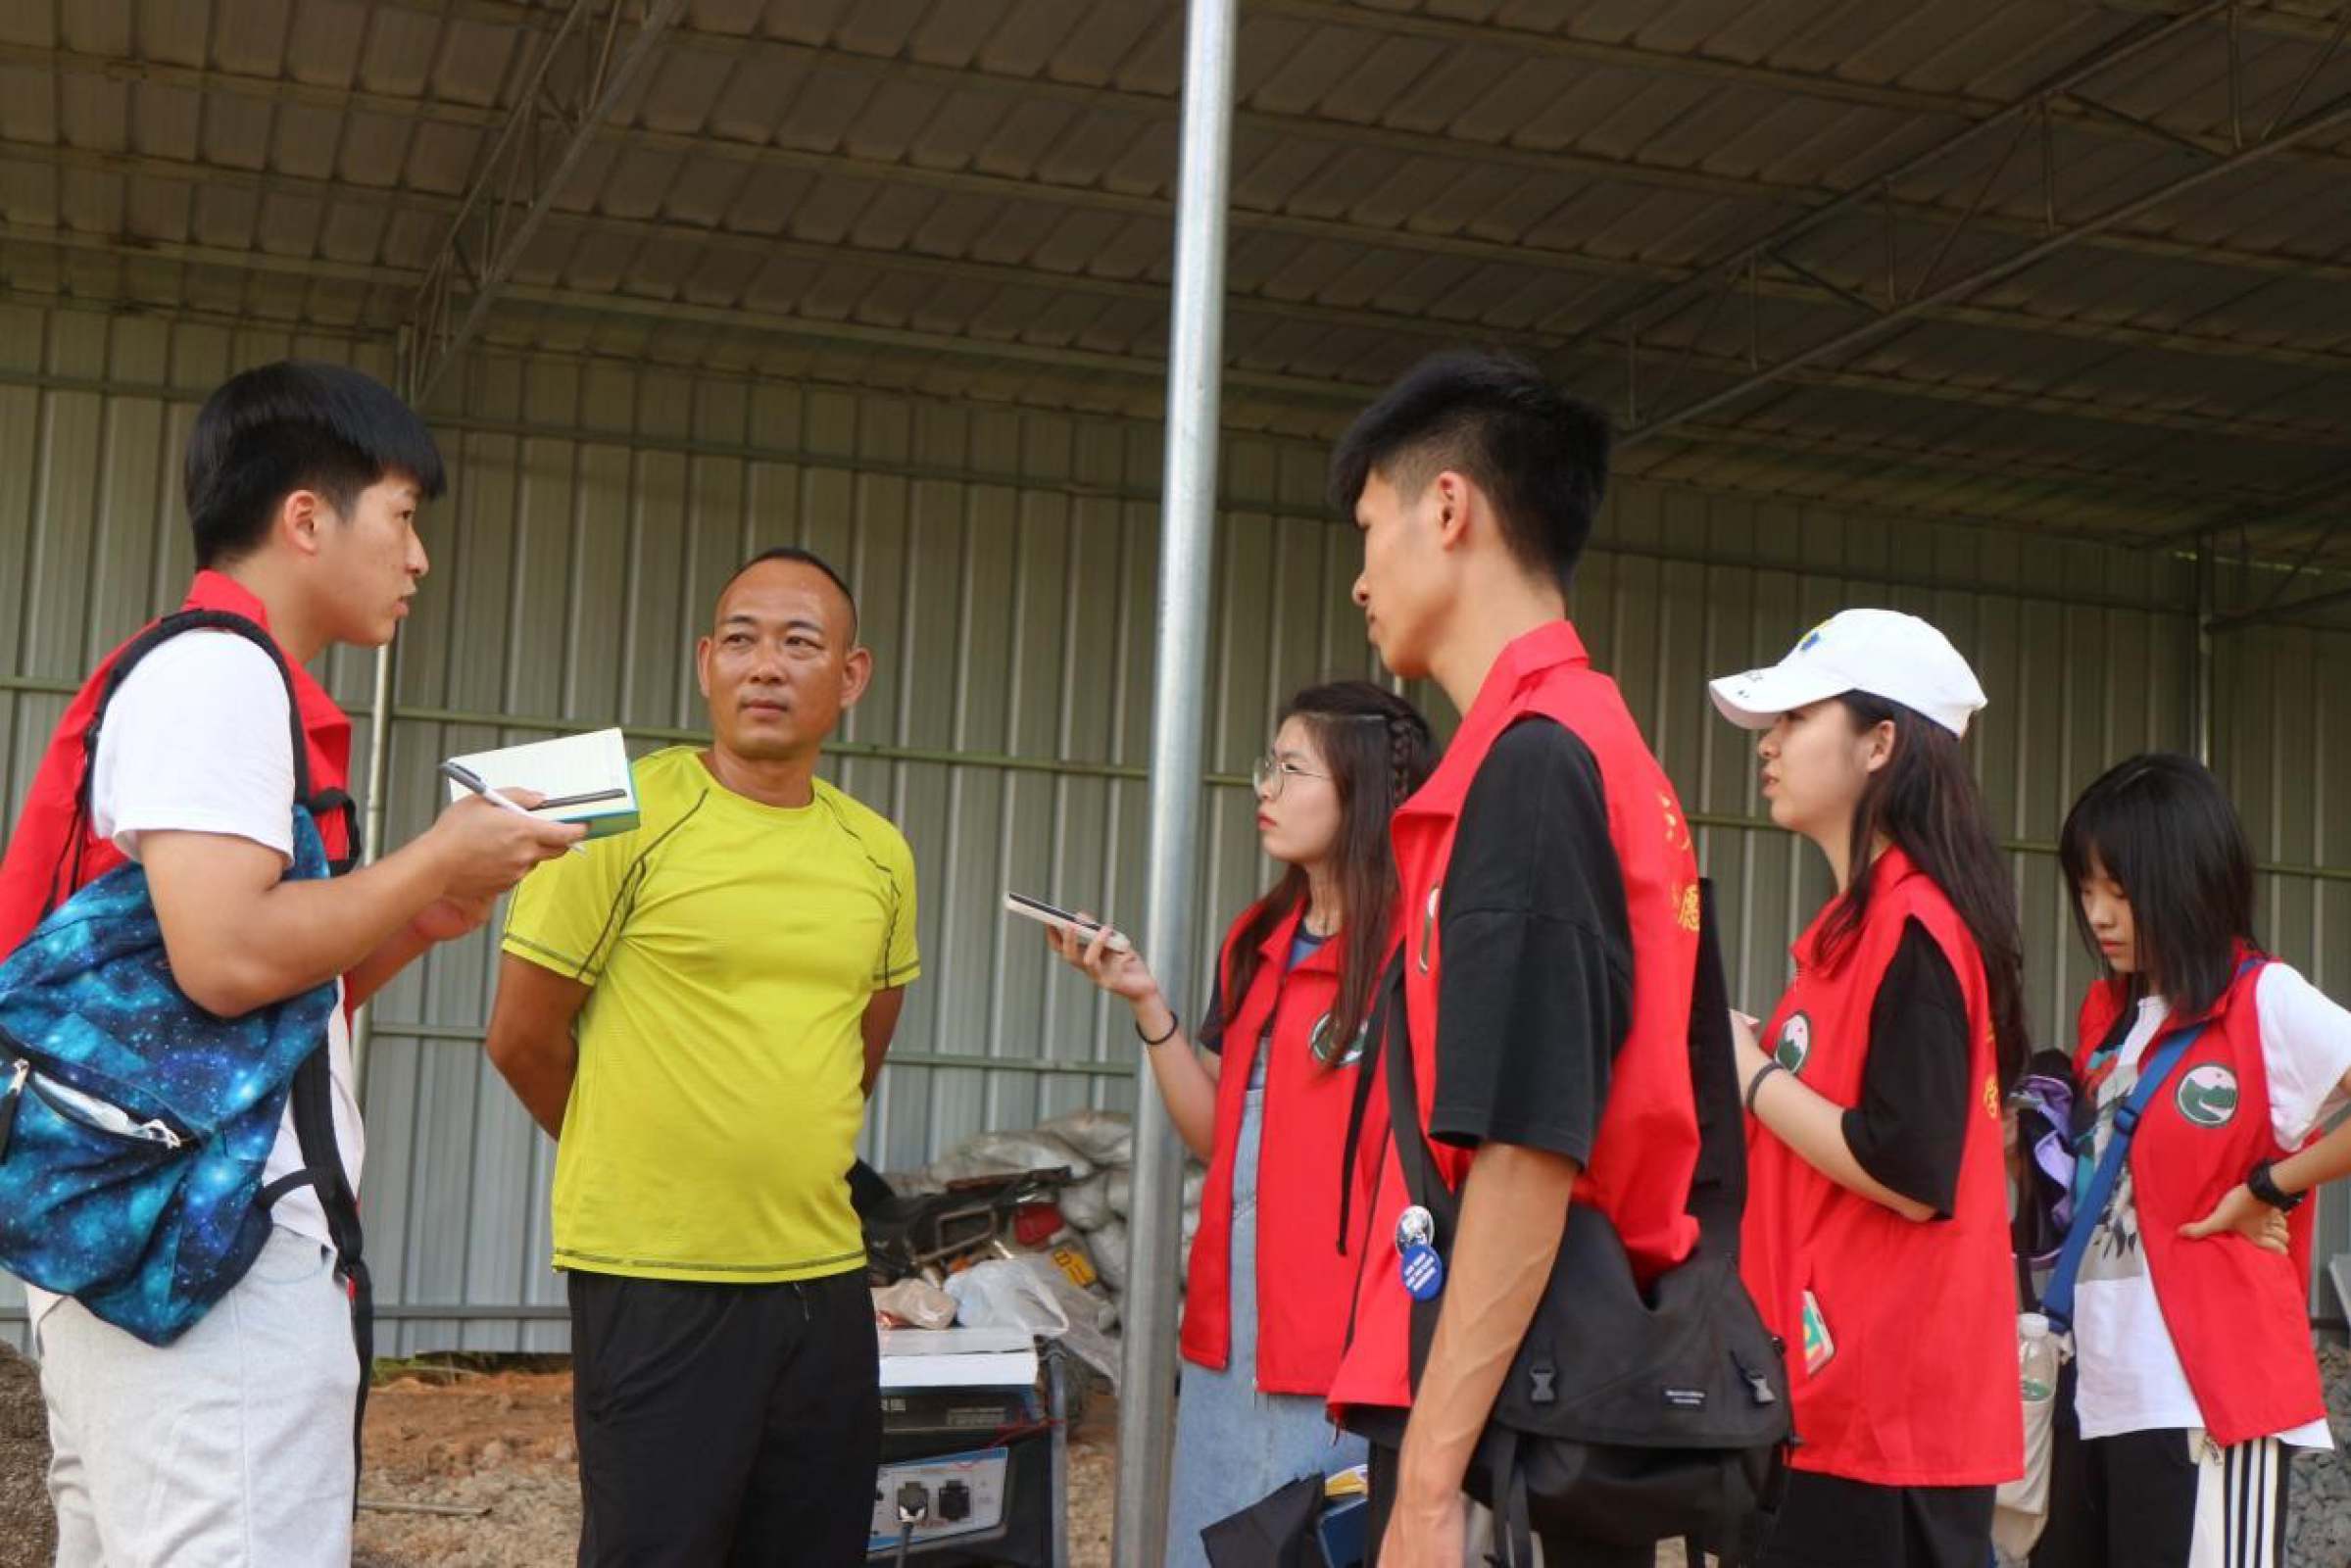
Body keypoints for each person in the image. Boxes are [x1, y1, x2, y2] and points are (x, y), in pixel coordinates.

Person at [0, 361, 582, 1566]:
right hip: (211, 1263)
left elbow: (245, 999)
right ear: (307, 518)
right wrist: (431, 859)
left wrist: (420, 916)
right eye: (404, 515)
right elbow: (224, 958)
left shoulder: (210, 674)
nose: (419, 559)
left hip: (149, 1249)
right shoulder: (218, 672)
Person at [1323, 350, 1708, 1568]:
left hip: (1515, 1425)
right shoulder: (1598, 754)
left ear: (1448, 510)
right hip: (1536, 1391)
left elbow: (1529, 1147)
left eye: (1370, 527)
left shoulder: (1535, 766)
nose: (1358, 579)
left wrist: (1430, 1491)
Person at [484, 545, 920, 1567]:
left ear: (849, 676)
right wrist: (641, 1150)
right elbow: (521, 1038)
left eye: (799, 643)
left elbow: (860, 1047)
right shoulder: (619, 820)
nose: (765, 667)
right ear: (703, 664)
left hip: (821, 1282)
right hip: (655, 1275)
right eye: (741, 640)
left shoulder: (878, 853)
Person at [1045, 680, 1436, 1565]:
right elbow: (1218, 1135)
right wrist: (1147, 1002)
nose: (1263, 787)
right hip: (1230, 1333)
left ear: (1361, 793)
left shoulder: (1420, 950)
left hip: (1348, 1349)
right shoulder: (1259, 938)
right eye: (1268, 765)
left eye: (1290, 769)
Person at [1709, 608, 2027, 1568]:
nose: (1767, 745)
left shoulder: (1914, 926)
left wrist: (1751, 1073)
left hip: (1887, 1423)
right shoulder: (1854, 930)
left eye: (1794, 719)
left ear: (1878, 741)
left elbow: (1908, 1162)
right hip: (1825, 1402)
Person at [2033, 754, 2351, 1568]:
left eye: (2121, 891)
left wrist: (2266, 1189)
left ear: (2188, 881)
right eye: (2085, 889)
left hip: (2201, 1394)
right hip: (2093, 1381)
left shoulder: (2264, 1000)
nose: (2098, 914)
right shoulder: (2109, 1011)